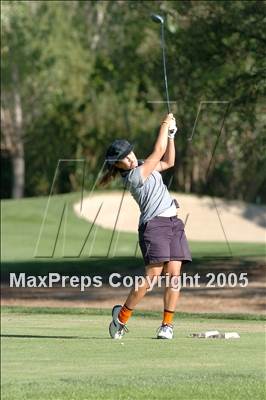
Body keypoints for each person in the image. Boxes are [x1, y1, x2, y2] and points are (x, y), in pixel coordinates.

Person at [100, 113, 192, 339]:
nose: (129, 158)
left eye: (129, 153)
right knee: (151, 278)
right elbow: (158, 152)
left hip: (173, 223)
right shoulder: (133, 176)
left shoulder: (142, 165)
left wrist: (171, 135)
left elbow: (168, 161)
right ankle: (120, 319)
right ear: (118, 164)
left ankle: (167, 325)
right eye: (123, 158)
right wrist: (164, 123)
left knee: (174, 276)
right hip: (154, 226)